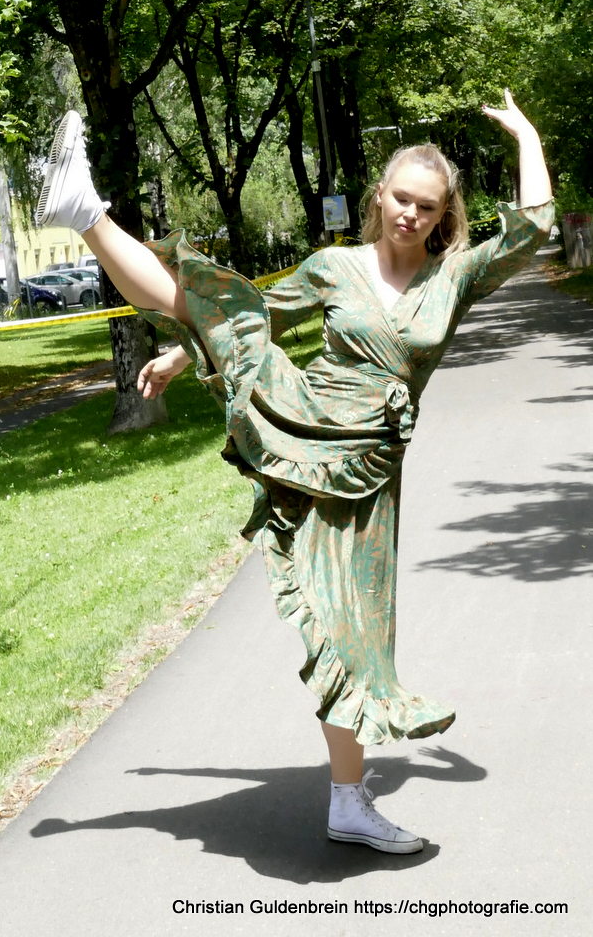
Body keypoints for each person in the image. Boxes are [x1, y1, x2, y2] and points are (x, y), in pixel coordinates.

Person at [36, 90, 553, 854]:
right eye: (401, 199)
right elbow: (260, 312)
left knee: (353, 633)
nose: (410, 214)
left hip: (368, 473)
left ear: (443, 214)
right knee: (202, 305)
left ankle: (346, 800)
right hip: (304, 429)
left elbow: (534, 228)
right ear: (378, 197)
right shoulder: (335, 267)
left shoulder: (454, 276)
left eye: (426, 206)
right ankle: (85, 212)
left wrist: (525, 133)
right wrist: (181, 351)